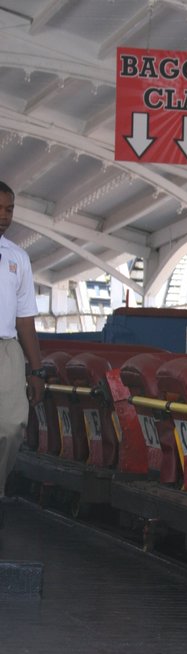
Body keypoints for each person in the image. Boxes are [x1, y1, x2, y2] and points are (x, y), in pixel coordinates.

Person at [0, 181, 45, 504]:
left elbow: (25, 319)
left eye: (9, 209)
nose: (4, 216)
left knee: (13, 426)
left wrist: (37, 370)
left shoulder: (18, 258)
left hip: (7, 349)